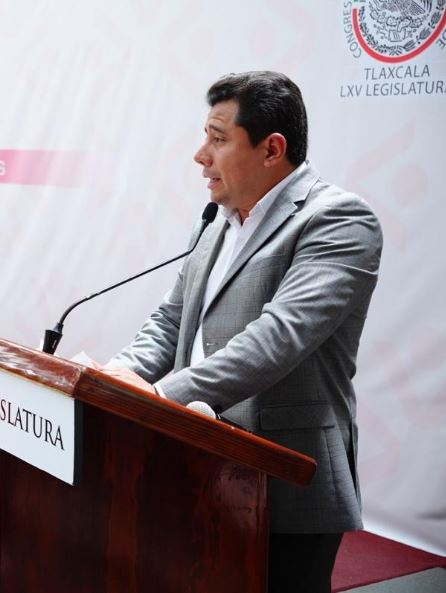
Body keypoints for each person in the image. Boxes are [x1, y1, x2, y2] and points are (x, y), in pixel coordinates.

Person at [102, 72, 382, 593]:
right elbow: (171, 321)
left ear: (272, 148)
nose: (200, 155)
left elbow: (278, 337)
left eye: (217, 137)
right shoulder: (216, 218)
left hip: (286, 482)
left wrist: (159, 397)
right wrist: (119, 377)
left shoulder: (338, 220)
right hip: (199, 466)